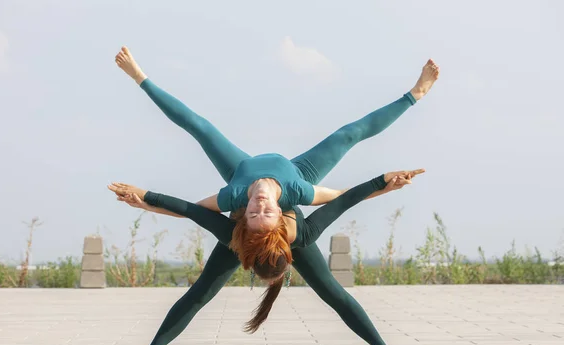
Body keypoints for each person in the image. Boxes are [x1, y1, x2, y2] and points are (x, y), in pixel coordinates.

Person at [113, 46, 439, 271]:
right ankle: (416, 95)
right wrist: (388, 185)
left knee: (199, 127)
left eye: (255, 212)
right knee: (348, 135)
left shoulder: (235, 195)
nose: (261, 205)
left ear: (245, 213)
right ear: (281, 215)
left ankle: (140, 78)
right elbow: (347, 197)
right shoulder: (299, 191)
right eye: (266, 212)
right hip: (298, 170)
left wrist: (143, 202)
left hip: (240, 170)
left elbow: (187, 211)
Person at [109, 168, 424, 345]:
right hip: (249, 236)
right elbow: (189, 210)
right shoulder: (233, 235)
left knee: (333, 294)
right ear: (243, 254)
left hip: (281, 240)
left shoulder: (300, 235)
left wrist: (145, 196)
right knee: (200, 294)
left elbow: (189, 209)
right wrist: (383, 181)